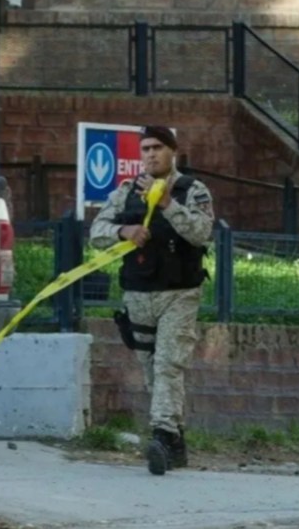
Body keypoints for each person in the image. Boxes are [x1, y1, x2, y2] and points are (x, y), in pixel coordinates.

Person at [89, 125, 214, 476]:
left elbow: (203, 232)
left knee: (168, 365)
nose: (150, 154)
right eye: (145, 149)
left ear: (173, 150)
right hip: (139, 294)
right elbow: (96, 233)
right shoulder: (127, 191)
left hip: (181, 293)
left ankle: (159, 436)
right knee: (150, 371)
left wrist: (168, 205)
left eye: (158, 147)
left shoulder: (192, 190)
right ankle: (175, 441)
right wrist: (122, 231)